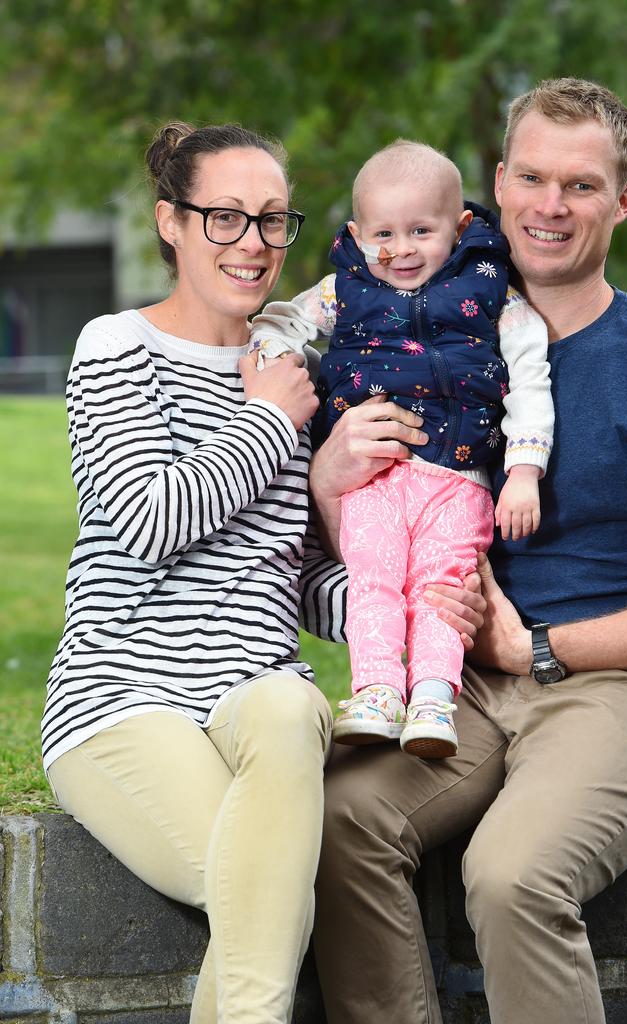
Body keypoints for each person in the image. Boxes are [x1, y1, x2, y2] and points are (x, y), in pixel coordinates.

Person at [307, 78, 627, 1024]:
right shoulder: (413, 343)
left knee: (512, 874)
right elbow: (353, 553)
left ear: (623, 201)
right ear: (496, 186)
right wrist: (328, 476)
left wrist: (540, 648)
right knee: (335, 826)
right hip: (462, 681)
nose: (550, 206)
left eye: (582, 185)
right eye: (531, 177)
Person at [42, 120, 360, 1024]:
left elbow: (288, 573)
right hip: (122, 698)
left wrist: (400, 600)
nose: (254, 243)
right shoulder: (117, 347)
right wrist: (266, 421)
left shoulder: (297, 371)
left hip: (253, 699)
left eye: (271, 220)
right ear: (170, 223)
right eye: (224, 217)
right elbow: (146, 522)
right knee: (272, 892)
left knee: (292, 703)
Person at [251, 140, 552, 759]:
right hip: (375, 479)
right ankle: (378, 691)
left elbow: (529, 376)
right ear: (358, 234)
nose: (402, 249)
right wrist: (275, 353)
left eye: (421, 230)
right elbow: (279, 320)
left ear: (461, 225)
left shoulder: (493, 294)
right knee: (373, 581)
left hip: (458, 478)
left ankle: (435, 701)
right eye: (383, 233)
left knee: (441, 586)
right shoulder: (345, 290)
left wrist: (523, 470)